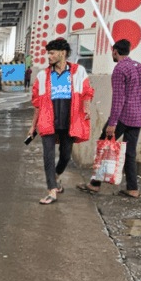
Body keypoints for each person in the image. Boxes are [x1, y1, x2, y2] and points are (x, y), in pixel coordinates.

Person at [77, 39, 141, 198]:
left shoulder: (120, 69)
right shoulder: (140, 67)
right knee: (130, 153)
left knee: (103, 145)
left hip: (123, 117)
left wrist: (112, 123)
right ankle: (133, 189)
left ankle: (94, 184)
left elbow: (119, 99)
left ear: (115, 51)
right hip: (138, 116)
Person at [28, 37, 94, 204]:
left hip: (70, 119)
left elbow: (87, 92)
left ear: (63, 53)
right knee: (48, 156)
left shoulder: (79, 72)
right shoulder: (43, 75)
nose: (48, 56)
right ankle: (51, 190)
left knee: (65, 155)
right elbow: (37, 103)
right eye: (48, 53)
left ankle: (56, 176)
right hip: (47, 119)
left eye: (52, 53)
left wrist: (86, 108)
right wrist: (32, 126)